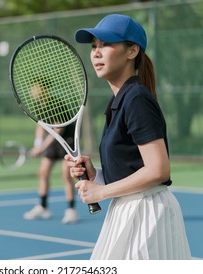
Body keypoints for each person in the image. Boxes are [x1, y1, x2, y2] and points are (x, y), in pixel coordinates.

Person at [65, 14, 191, 259]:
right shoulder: (119, 101)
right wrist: (98, 175)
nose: (96, 53)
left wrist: (101, 192)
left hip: (146, 215)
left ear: (132, 51)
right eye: (93, 46)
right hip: (129, 210)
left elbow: (158, 170)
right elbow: (134, 167)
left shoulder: (136, 99)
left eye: (107, 44)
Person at [23, 77, 79, 224]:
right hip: (53, 141)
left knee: (66, 175)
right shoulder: (38, 105)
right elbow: (41, 126)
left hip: (67, 140)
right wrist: (37, 144)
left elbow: (59, 128)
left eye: (35, 87)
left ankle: (71, 210)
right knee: (43, 172)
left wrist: (42, 147)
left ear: (43, 89)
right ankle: (43, 207)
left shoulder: (55, 103)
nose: (32, 90)